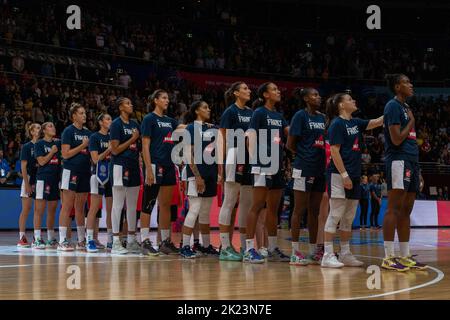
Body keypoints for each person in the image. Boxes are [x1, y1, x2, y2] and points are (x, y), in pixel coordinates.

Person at [321, 93, 383, 268]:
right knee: (335, 214)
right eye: (349, 99)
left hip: (355, 175)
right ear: (341, 105)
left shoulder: (355, 122)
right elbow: (334, 151)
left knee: (348, 217)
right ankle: (327, 255)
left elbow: (376, 122)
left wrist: (394, 109)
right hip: (339, 175)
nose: (354, 100)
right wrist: (344, 175)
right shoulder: (337, 124)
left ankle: (345, 254)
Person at [382, 74, 427, 271]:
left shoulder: (406, 107)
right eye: (407, 82)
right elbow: (397, 139)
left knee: (407, 210)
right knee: (394, 208)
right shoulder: (392, 106)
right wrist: (411, 121)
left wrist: (419, 170)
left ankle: (405, 254)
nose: (411, 85)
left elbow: (409, 139)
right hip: (398, 161)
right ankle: (388, 257)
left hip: (411, 162)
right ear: (397, 86)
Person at [245, 82, 290, 264]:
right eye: (274, 89)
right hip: (262, 164)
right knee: (256, 206)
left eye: (278, 89)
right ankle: (249, 249)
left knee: (273, 209)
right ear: (265, 94)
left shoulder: (279, 116)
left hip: (277, 165)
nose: (278, 91)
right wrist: (255, 161)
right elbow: (250, 137)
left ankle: (271, 248)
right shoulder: (259, 113)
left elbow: (290, 134)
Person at [140, 90, 186, 256]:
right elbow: (145, 146)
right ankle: (145, 242)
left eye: (168, 97)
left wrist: (200, 124)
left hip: (168, 166)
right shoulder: (149, 119)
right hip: (154, 165)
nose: (167, 100)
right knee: (148, 203)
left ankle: (164, 242)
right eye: (164, 98)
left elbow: (182, 128)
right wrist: (148, 169)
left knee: (166, 205)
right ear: (156, 100)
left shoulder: (170, 121)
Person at [287, 87, 326, 266]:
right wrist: (304, 155)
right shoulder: (300, 116)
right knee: (299, 209)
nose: (318, 97)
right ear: (305, 99)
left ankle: (313, 251)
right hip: (303, 168)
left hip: (320, 169)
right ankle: (295, 252)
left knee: (315, 211)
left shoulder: (322, 117)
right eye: (315, 94)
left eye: (318, 94)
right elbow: (290, 144)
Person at [179, 101, 220, 258]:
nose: (208, 109)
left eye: (209, 107)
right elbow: (189, 154)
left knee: (204, 213)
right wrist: (197, 176)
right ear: (196, 110)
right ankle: (185, 246)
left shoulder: (211, 128)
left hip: (211, 173)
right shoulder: (190, 128)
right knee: (194, 209)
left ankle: (206, 245)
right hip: (196, 175)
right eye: (205, 107)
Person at [217, 82, 253, 261]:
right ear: (236, 93)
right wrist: (221, 165)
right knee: (229, 201)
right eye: (245, 88)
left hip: (249, 159)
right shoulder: (230, 112)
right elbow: (222, 138)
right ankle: (224, 247)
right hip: (233, 156)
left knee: (246, 203)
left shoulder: (251, 112)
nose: (249, 91)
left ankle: (246, 247)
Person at [109, 97, 141, 254]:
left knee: (133, 206)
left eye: (131, 102)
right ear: (121, 107)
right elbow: (114, 150)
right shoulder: (116, 124)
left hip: (134, 165)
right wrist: (132, 139)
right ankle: (115, 241)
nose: (131, 104)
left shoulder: (135, 124)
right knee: (118, 204)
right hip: (120, 166)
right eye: (128, 103)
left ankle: (131, 240)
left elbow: (138, 148)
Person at [58, 103, 92, 251]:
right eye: (81, 113)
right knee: (67, 205)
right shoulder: (68, 131)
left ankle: (81, 240)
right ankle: (62, 240)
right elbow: (65, 154)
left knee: (80, 207)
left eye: (85, 113)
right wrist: (82, 146)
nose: (84, 115)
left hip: (85, 171)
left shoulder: (89, 133)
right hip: (70, 171)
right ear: (74, 116)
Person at [85, 113, 113, 253]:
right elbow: (95, 159)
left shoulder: (112, 136)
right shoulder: (95, 137)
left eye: (111, 119)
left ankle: (110, 240)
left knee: (111, 209)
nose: (110, 121)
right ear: (101, 122)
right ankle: (89, 239)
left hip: (112, 174)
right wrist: (109, 149)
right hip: (98, 174)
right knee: (94, 208)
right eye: (107, 119)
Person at [33, 122, 61, 249]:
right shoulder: (39, 144)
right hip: (43, 179)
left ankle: (51, 238)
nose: (53, 127)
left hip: (55, 179)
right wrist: (52, 151)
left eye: (53, 126)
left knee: (52, 210)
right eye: (50, 126)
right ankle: (37, 238)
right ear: (44, 130)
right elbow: (42, 161)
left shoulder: (58, 143)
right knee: (39, 210)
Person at [17, 123, 40, 247]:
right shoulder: (27, 146)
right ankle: (22, 236)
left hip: (40, 179)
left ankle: (37, 237)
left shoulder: (42, 145)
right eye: (36, 128)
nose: (39, 129)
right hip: (29, 178)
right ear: (31, 132)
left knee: (38, 209)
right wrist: (26, 183)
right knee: (26, 209)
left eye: (40, 128)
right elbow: (23, 167)